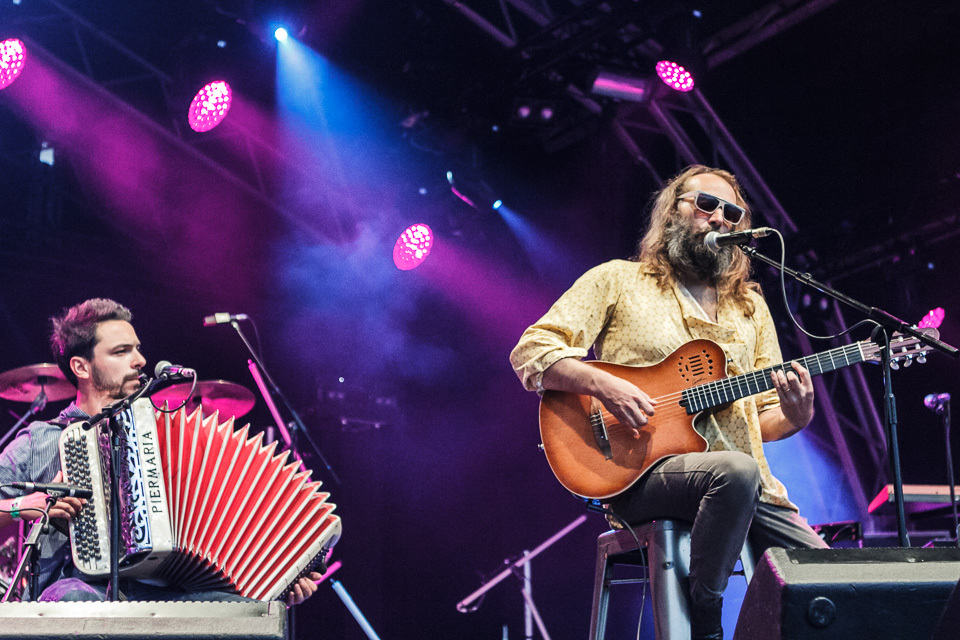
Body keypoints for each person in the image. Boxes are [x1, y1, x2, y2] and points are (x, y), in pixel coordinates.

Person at [509, 166, 828, 640]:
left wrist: (796, 415)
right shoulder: (618, 281)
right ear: (673, 210)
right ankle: (706, 617)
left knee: (834, 586)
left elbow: (761, 418)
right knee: (734, 471)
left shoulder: (750, 308)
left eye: (732, 213)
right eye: (706, 205)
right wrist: (603, 385)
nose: (719, 218)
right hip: (641, 471)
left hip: (744, 485)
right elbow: (533, 351)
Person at [0, 298, 322, 604]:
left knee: (244, 609)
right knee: (73, 598)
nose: (140, 360)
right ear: (81, 367)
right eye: (121, 351)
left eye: (137, 349)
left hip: (168, 596)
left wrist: (280, 579)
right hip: (84, 591)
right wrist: (21, 506)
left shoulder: (172, 436)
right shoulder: (41, 440)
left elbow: (226, 518)